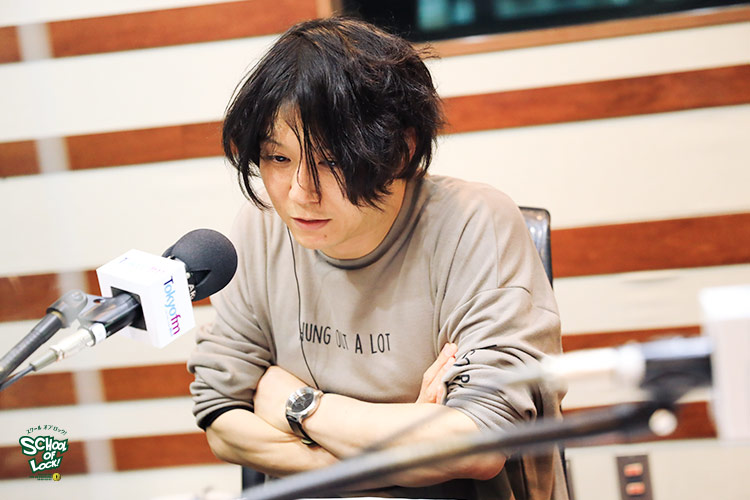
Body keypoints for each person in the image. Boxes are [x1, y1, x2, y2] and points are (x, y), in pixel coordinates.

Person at [188, 16, 568, 500]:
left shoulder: (474, 224)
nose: (300, 193)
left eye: (331, 160)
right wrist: (402, 454)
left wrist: (298, 405)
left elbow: (477, 445)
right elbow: (222, 422)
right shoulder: (260, 228)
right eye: (278, 158)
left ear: (401, 150)